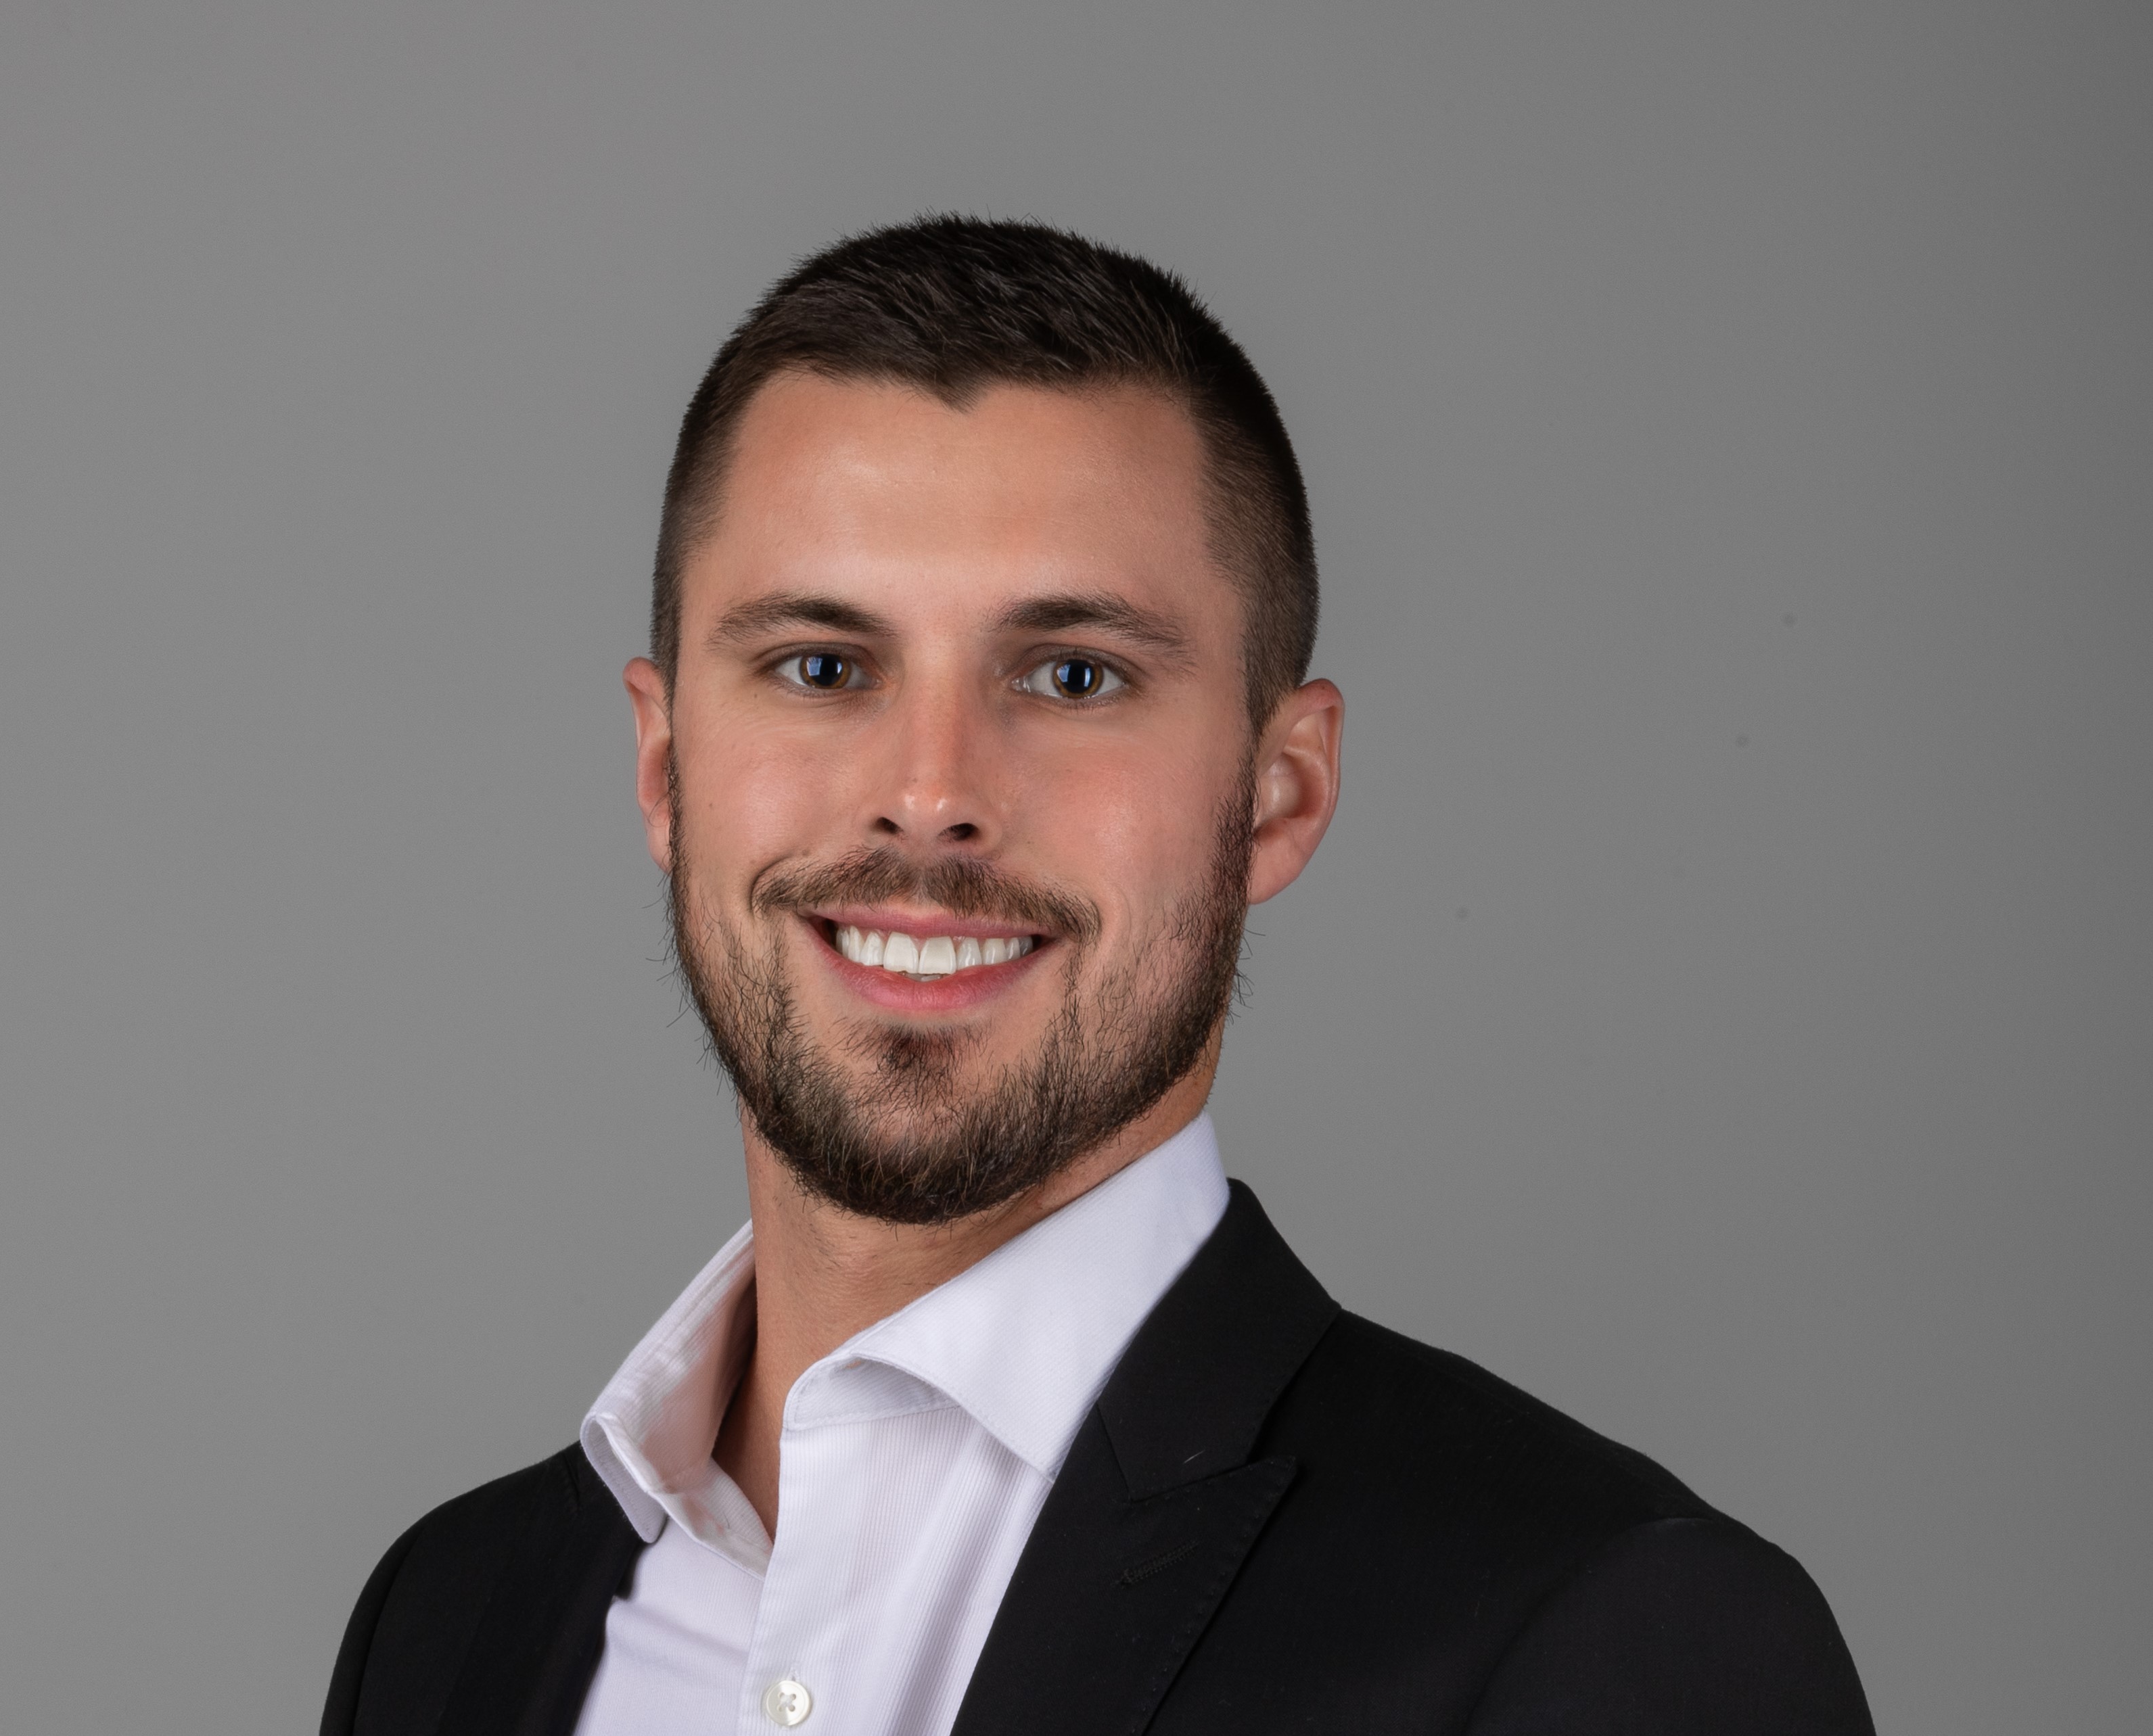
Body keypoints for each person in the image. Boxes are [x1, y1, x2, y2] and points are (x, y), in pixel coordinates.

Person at [321, 216, 1873, 1736]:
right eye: (822, 667)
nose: (930, 792)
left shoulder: (1608, 1639)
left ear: (1280, 792)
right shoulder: (453, 1624)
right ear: (666, 770)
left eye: (1073, 676)